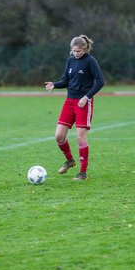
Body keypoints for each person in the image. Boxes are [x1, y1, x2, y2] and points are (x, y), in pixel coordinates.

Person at [45, 35, 104, 181]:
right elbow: (65, 80)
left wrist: (87, 97)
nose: (76, 54)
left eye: (79, 51)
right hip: (69, 101)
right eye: (74, 51)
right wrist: (55, 84)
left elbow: (100, 81)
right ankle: (70, 160)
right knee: (59, 136)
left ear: (84, 49)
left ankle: (82, 173)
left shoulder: (90, 61)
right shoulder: (70, 60)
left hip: (83, 102)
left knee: (80, 138)